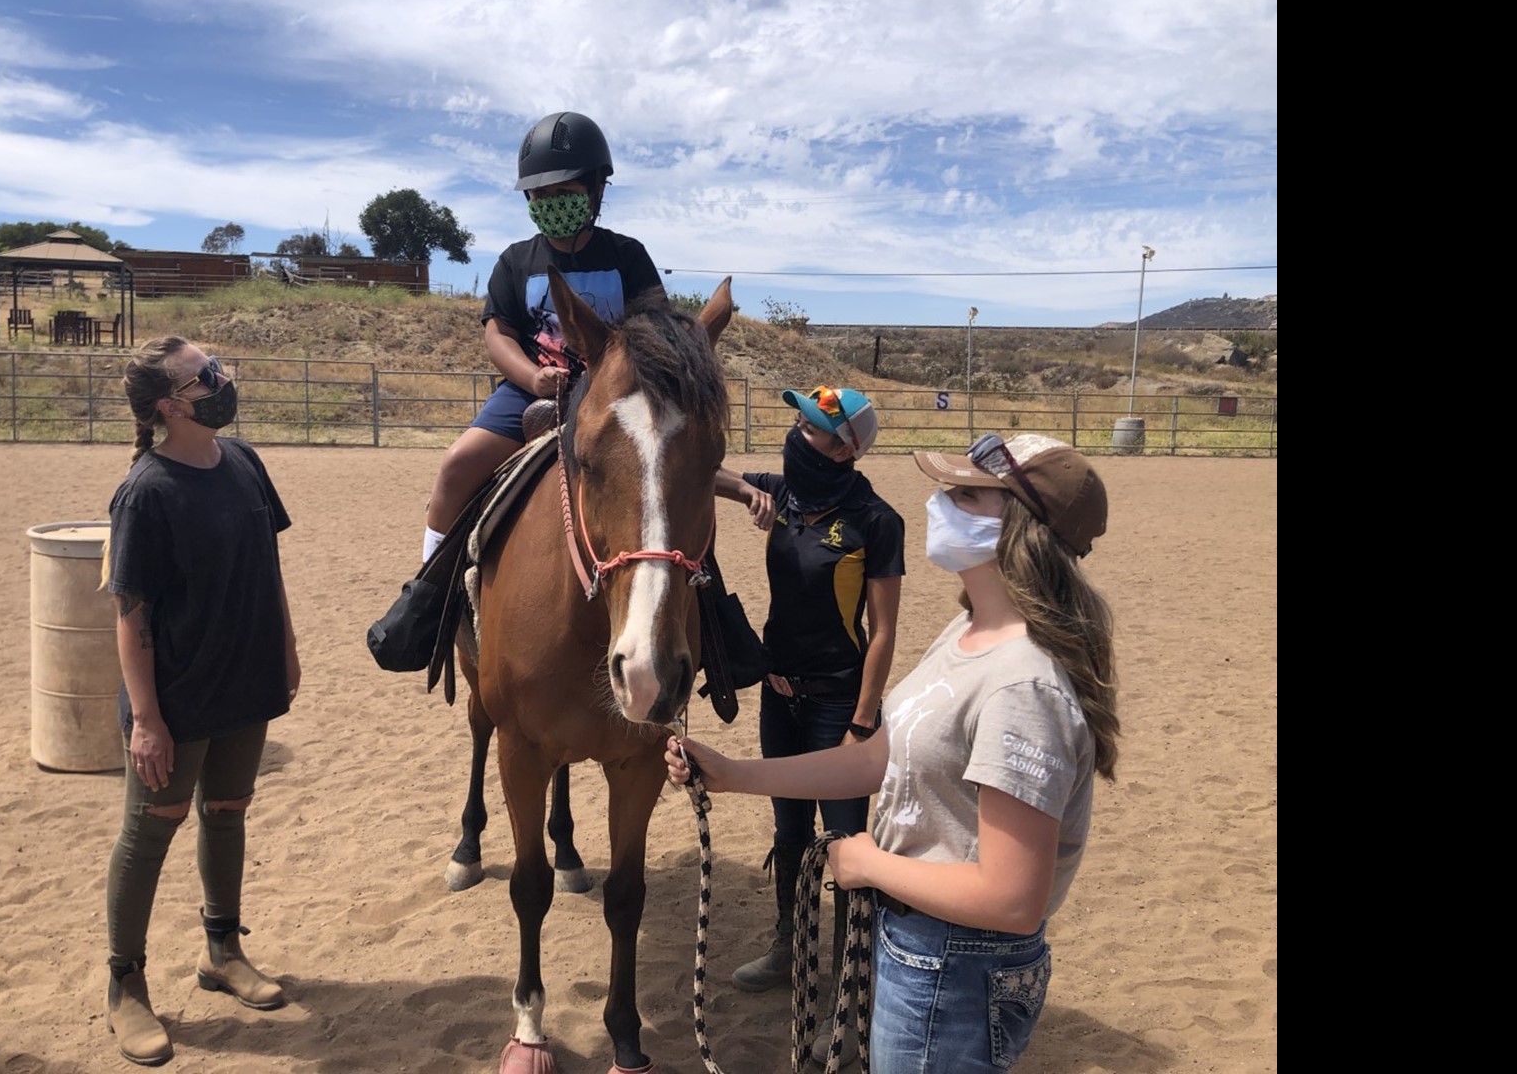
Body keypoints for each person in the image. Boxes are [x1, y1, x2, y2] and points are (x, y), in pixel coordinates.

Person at [669, 432, 1120, 1072]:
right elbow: (882, 757)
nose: (941, 503)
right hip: (920, 945)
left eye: (967, 495)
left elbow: (1012, 898)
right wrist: (737, 774)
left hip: (958, 963)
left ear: (1022, 528)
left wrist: (870, 864)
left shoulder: (1022, 685)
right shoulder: (967, 632)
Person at [100, 336, 301, 1067]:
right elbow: (131, 614)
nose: (222, 381)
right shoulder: (146, 492)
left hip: (245, 683)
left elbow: (267, 563)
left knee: (226, 814)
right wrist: (147, 720)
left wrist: (285, 644)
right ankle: (125, 987)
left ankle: (222, 950)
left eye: (217, 369)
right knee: (150, 830)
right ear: (166, 407)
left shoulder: (244, 461)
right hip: (177, 698)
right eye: (203, 377)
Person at [711, 385, 903, 994]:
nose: (796, 433)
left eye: (811, 427)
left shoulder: (876, 521)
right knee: (789, 833)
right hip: (779, 696)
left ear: (846, 448)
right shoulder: (784, 491)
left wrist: (862, 722)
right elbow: (701, 471)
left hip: (837, 704)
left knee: (845, 845)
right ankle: (788, 948)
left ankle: (850, 979)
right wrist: (747, 492)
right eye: (798, 420)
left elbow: (883, 631)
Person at [419, 109, 662, 566]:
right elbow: (499, 334)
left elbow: (656, 336)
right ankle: (427, 593)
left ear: (595, 190)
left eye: (564, 191)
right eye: (541, 194)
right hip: (531, 391)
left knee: (672, 477)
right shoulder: (516, 261)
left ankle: (707, 601)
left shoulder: (628, 257)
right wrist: (532, 378)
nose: (552, 202)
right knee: (457, 465)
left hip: (620, 396)